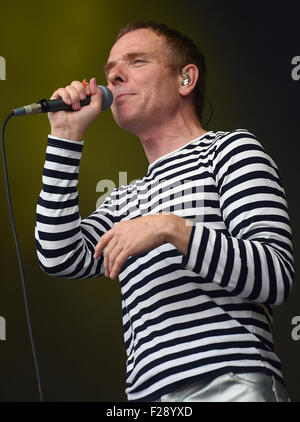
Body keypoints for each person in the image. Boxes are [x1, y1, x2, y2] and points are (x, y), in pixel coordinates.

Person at [35, 21, 294, 402]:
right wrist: (65, 137)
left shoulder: (230, 151)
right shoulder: (122, 201)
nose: (115, 75)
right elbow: (57, 255)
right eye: (110, 72)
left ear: (185, 78)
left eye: (136, 61)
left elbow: (275, 275)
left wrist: (173, 229)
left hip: (230, 384)